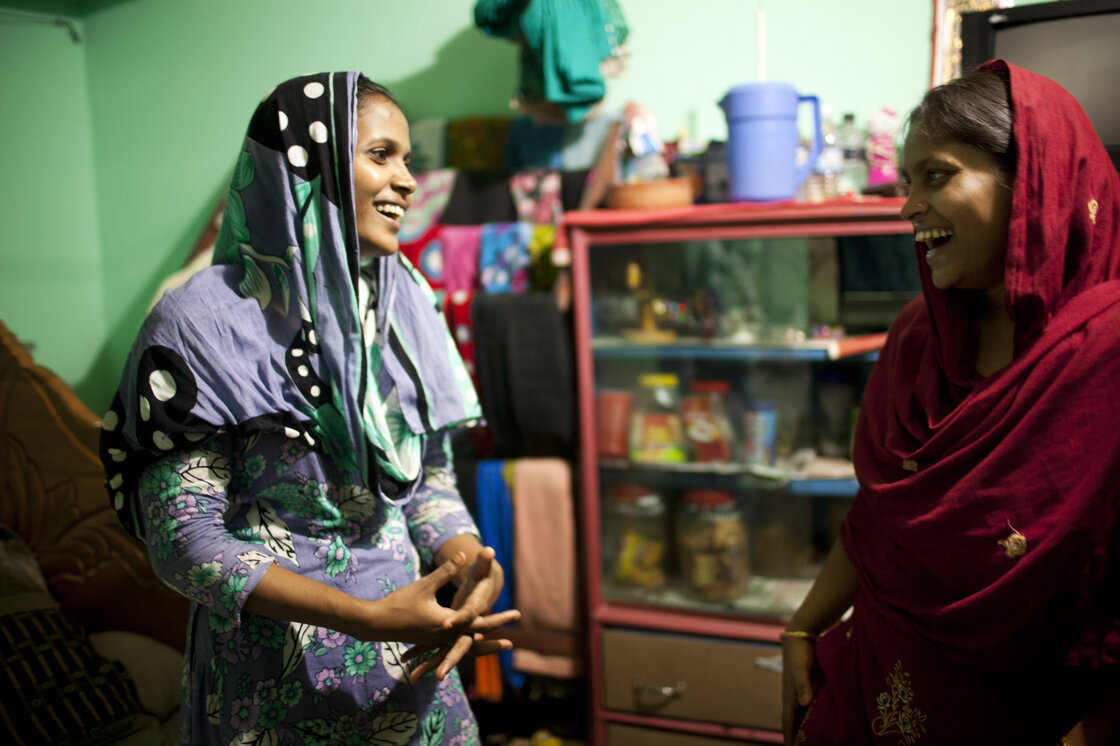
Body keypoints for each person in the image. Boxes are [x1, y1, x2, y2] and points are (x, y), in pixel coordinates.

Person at [99, 72, 520, 745]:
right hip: (274, 684)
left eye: (409, 160)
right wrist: (365, 618)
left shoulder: (406, 306)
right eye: (381, 155)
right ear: (309, 164)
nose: (408, 182)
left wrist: (465, 561)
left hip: (412, 675)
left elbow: (424, 480)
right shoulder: (199, 325)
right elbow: (185, 541)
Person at [781, 60, 1120, 744]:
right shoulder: (918, 336)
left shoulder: (1107, 352)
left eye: (937, 176)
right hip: (867, 681)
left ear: (1034, 181)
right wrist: (803, 624)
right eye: (908, 184)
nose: (908, 207)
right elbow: (881, 516)